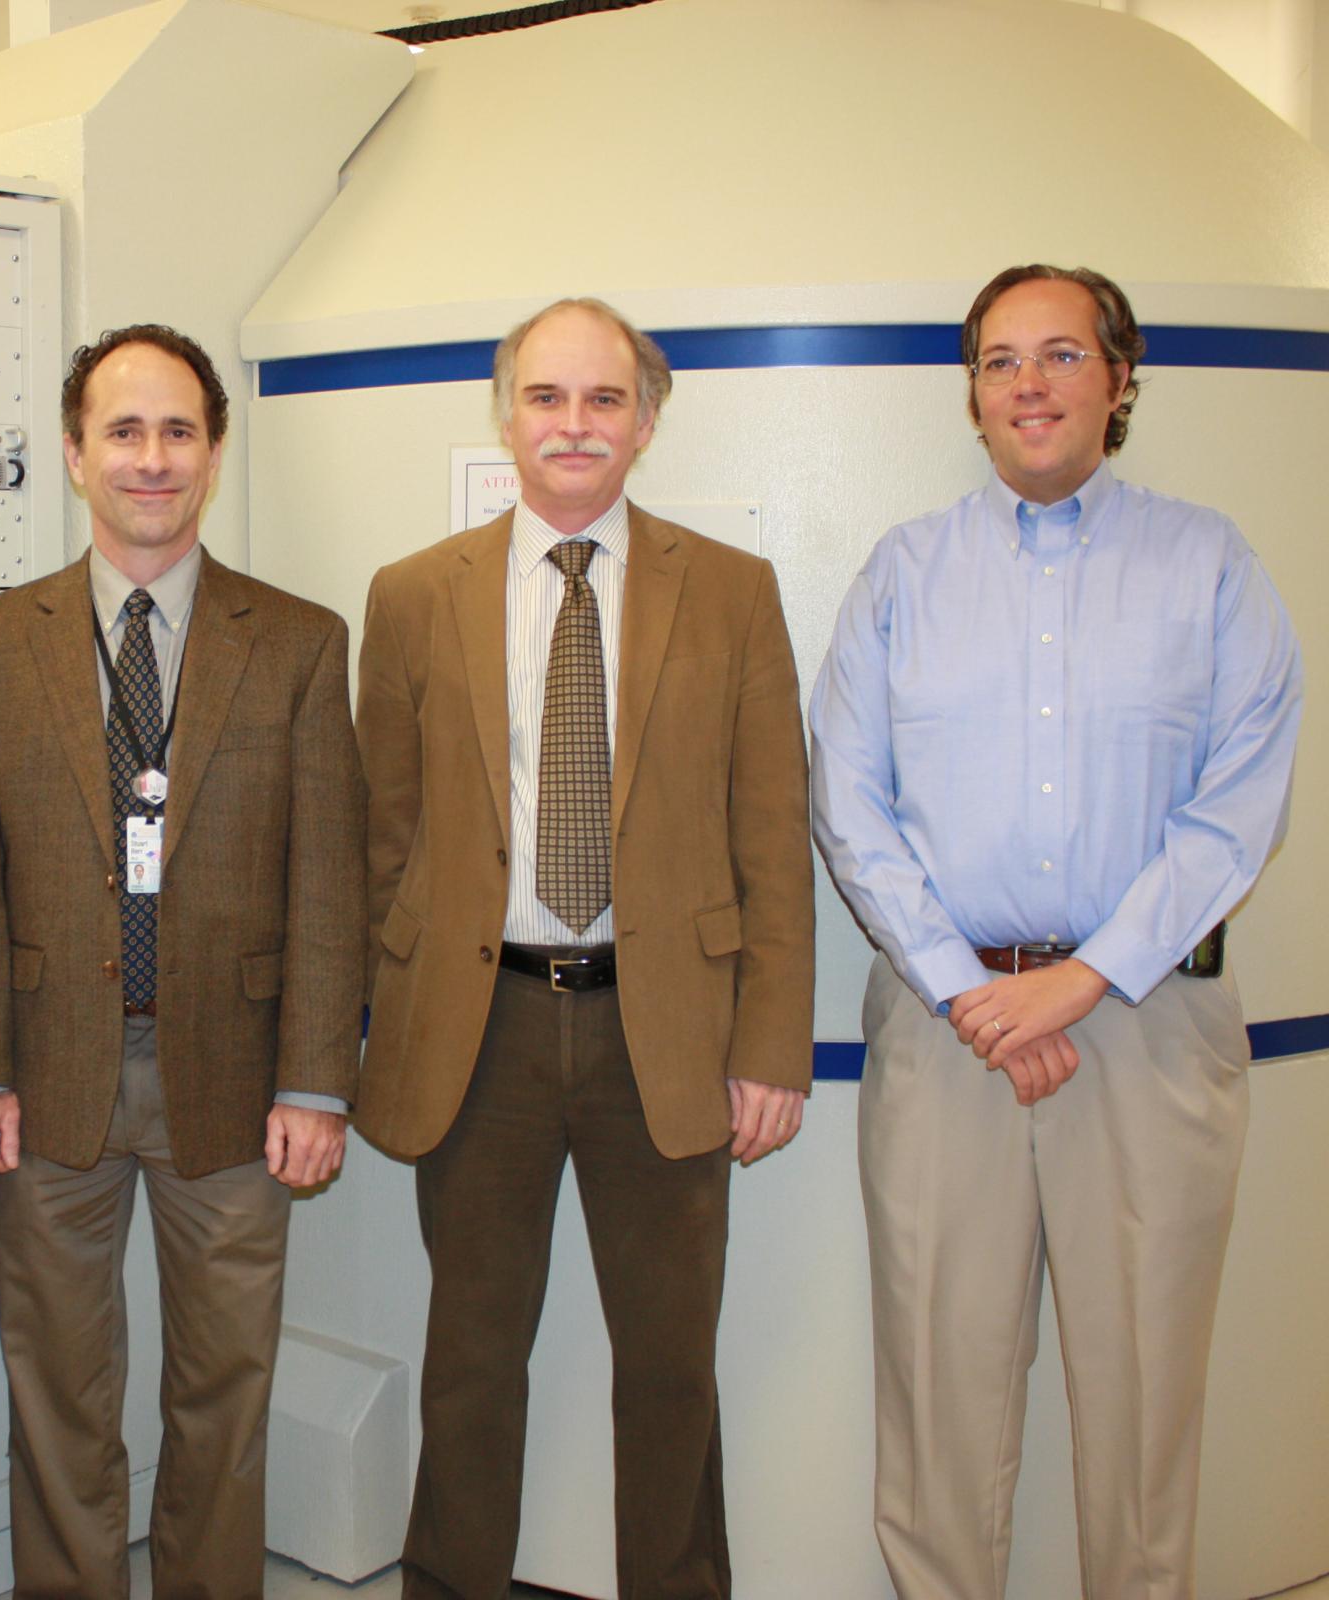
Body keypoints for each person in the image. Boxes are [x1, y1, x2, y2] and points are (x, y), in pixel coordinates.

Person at [809, 264, 1305, 1600]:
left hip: (1146, 1027)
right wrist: (974, 991)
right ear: (972, 394)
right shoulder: (904, 574)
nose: (1030, 384)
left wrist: (1081, 981)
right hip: (945, 1033)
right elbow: (848, 802)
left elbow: (1237, 805)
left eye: (1062, 355)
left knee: (1144, 1396)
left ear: (1121, 378)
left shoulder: (1210, 567)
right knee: (937, 1387)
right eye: (1000, 360)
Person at [354, 297, 815, 1599]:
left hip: (661, 1030)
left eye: (603, 400)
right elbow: (383, 837)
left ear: (647, 423)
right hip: (480, 1032)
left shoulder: (730, 592)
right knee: (472, 1361)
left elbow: (771, 836)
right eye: (547, 398)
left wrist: (771, 1042)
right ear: (506, 417)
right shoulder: (411, 598)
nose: (574, 425)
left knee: (671, 1368)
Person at [0, 323, 366, 1598]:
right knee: (58, 1395)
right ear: (75, 454)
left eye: (179, 430)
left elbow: (329, 876)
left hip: (235, 1081)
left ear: (214, 453)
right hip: (47, 1074)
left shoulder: (296, 639)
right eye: (123, 430)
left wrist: (316, 1083)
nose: (152, 457)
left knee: (223, 1396)